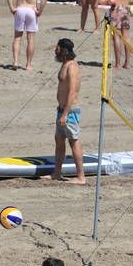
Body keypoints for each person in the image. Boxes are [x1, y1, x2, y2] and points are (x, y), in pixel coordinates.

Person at [48, 39, 85, 185]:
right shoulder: (64, 64)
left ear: (64, 50)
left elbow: (72, 92)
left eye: (57, 48)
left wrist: (65, 114)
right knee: (59, 140)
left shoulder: (72, 67)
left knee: (73, 142)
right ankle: (57, 173)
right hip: (61, 110)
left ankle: (81, 177)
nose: (55, 51)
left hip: (70, 111)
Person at [5, 0, 47, 70]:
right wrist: (40, 10)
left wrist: (12, 8)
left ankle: (15, 62)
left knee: (17, 37)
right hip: (31, 9)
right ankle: (28, 64)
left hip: (20, 8)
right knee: (31, 39)